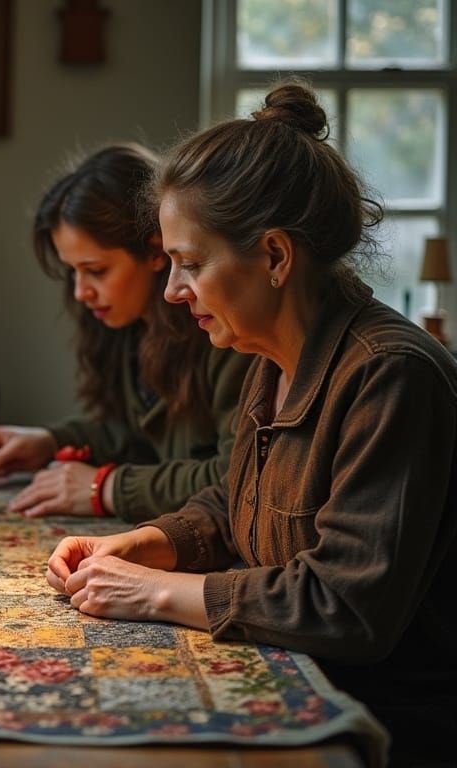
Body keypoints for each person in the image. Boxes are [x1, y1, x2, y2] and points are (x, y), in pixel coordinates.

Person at [47, 84, 457, 766]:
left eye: (192, 263)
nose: (175, 291)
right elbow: (237, 502)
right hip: (301, 680)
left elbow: (345, 606)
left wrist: (154, 591)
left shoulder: (391, 374)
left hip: (378, 718)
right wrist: (148, 542)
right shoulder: (272, 356)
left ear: (272, 256)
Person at [0, 145, 251, 523]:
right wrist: (52, 441)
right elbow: (137, 438)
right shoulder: (130, 328)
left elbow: (238, 478)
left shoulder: (225, 331)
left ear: (156, 251)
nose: (80, 292)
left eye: (96, 271)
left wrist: (106, 488)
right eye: (73, 272)